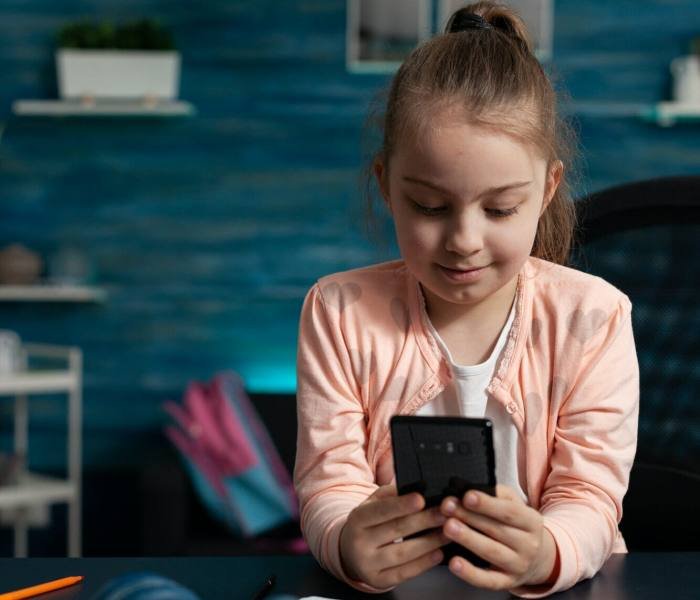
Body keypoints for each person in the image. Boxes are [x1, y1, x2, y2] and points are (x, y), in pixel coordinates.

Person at [293, 1, 639, 597]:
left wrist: (546, 552)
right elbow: (330, 485)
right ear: (386, 185)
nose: (463, 241)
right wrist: (347, 541)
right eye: (430, 206)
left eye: (501, 209)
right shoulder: (338, 312)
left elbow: (590, 497)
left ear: (547, 189)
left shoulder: (594, 317)